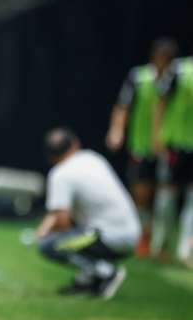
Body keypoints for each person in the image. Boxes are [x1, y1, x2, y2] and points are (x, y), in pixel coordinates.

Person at [36, 128, 140, 299]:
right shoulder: (92, 158)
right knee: (71, 236)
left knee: (50, 245)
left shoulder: (60, 174)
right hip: (132, 233)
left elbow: (62, 221)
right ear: (75, 144)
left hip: (108, 236)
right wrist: (44, 228)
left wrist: (48, 235)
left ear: (50, 156)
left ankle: (106, 272)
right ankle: (87, 280)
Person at [105, 39, 178, 255]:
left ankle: (161, 242)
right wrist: (116, 130)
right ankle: (143, 235)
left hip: (169, 146)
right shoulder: (138, 77)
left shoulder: (177, 79)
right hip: (141, 145)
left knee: (165, 193)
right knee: (141, 191)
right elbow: (122, 106)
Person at [154, 53, 193, 265]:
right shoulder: (180, 69)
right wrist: (157, 135)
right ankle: (160, 244)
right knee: (167, 194)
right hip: (175, 144)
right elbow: (160, 101)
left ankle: (185, 250)